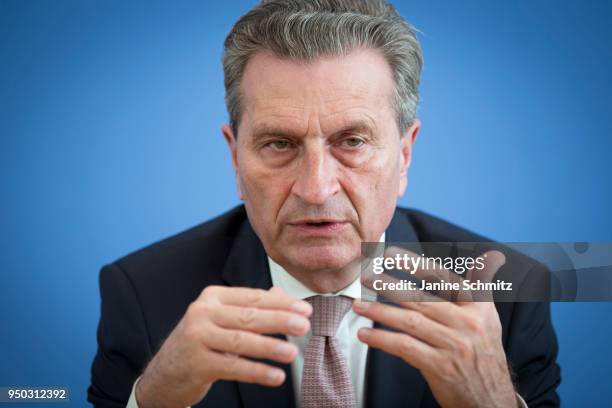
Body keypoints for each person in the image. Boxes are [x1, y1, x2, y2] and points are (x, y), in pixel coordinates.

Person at [88, 1, 560, 407]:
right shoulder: (144, 295)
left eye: (352, 141)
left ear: (405, 153)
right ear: (235, 157)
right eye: (279, 144)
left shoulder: (511, 293)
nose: (316, 189)